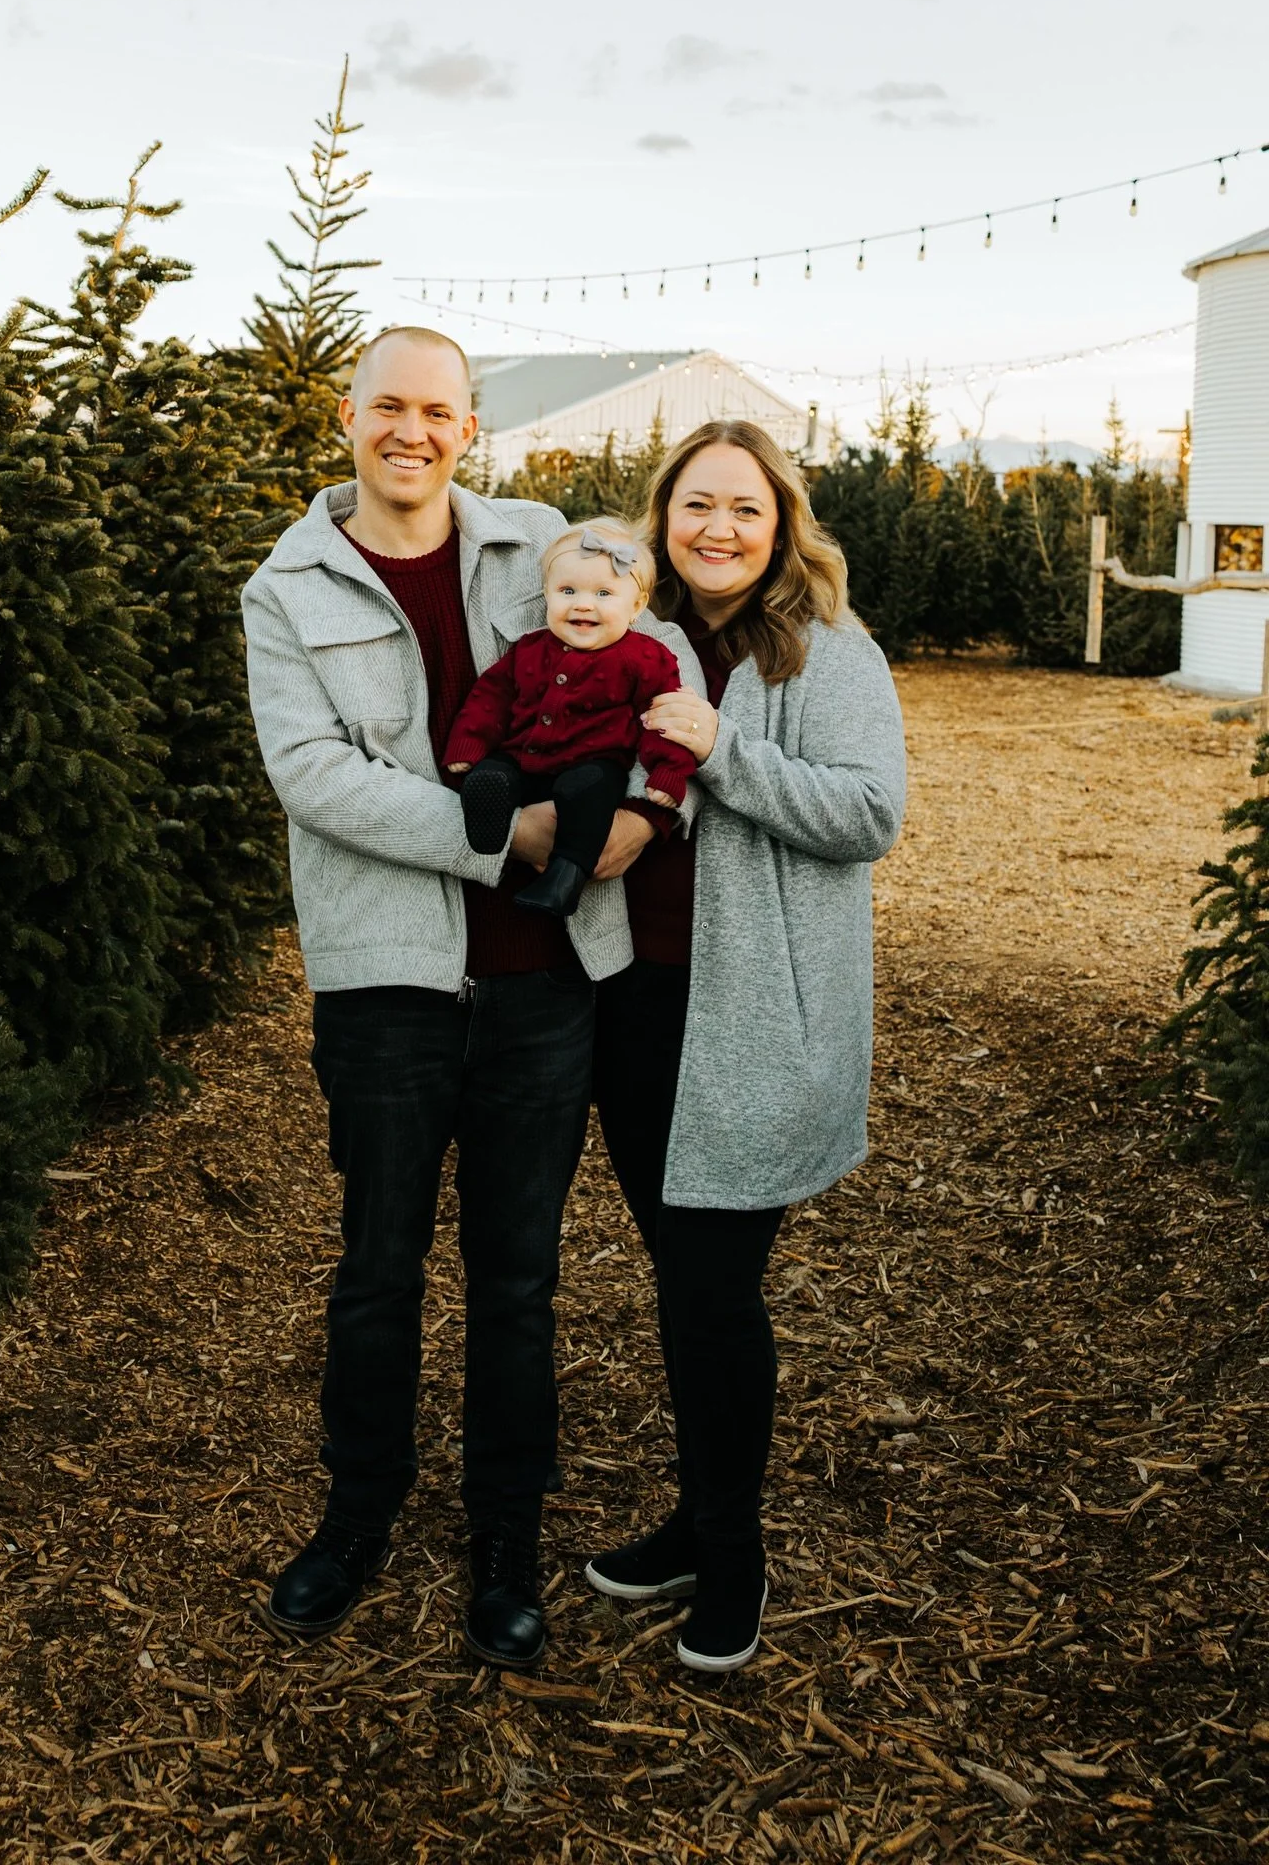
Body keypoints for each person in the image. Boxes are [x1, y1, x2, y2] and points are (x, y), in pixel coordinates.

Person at [239, 326, 701, 1670]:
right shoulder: (288, 587)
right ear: (348, 416)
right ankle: (356, 1514)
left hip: (544, 978)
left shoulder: (533, 540)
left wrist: (654, 799)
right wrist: (502, 835)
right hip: (384, 979)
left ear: (469, 424)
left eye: (438, 411)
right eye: (389, 406)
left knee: (518, 1279)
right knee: (379, 1269)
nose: (413, 432)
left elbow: (648, 651)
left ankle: (504, 1539)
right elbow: (313, 776)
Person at [584, 419, 906, 1673]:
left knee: (715, 1294)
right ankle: (692, 1515)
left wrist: (727, 753)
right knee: (683, 1283)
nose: (718, 529)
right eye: (696, 506)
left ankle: (733, 1552)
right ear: (663, 518)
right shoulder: (632, 632)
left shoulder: (825, 651)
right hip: (634, 1007)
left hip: (755, 1016)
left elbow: (868, 812)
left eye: (745, 511)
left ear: (781, 529)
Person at [444, 519, 697, 918]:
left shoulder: (646, 659)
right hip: (524, 757)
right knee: (494, 773)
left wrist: (668, 773)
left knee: (588, 795)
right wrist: (469, 743)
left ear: (636, 606)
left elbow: (665, 721)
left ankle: (564, 879)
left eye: (603, 593)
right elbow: (490, 697)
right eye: (567, 591)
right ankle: (488, 829)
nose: (583, 603)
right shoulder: (529, 648)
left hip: (594, 764)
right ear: (546, 595)